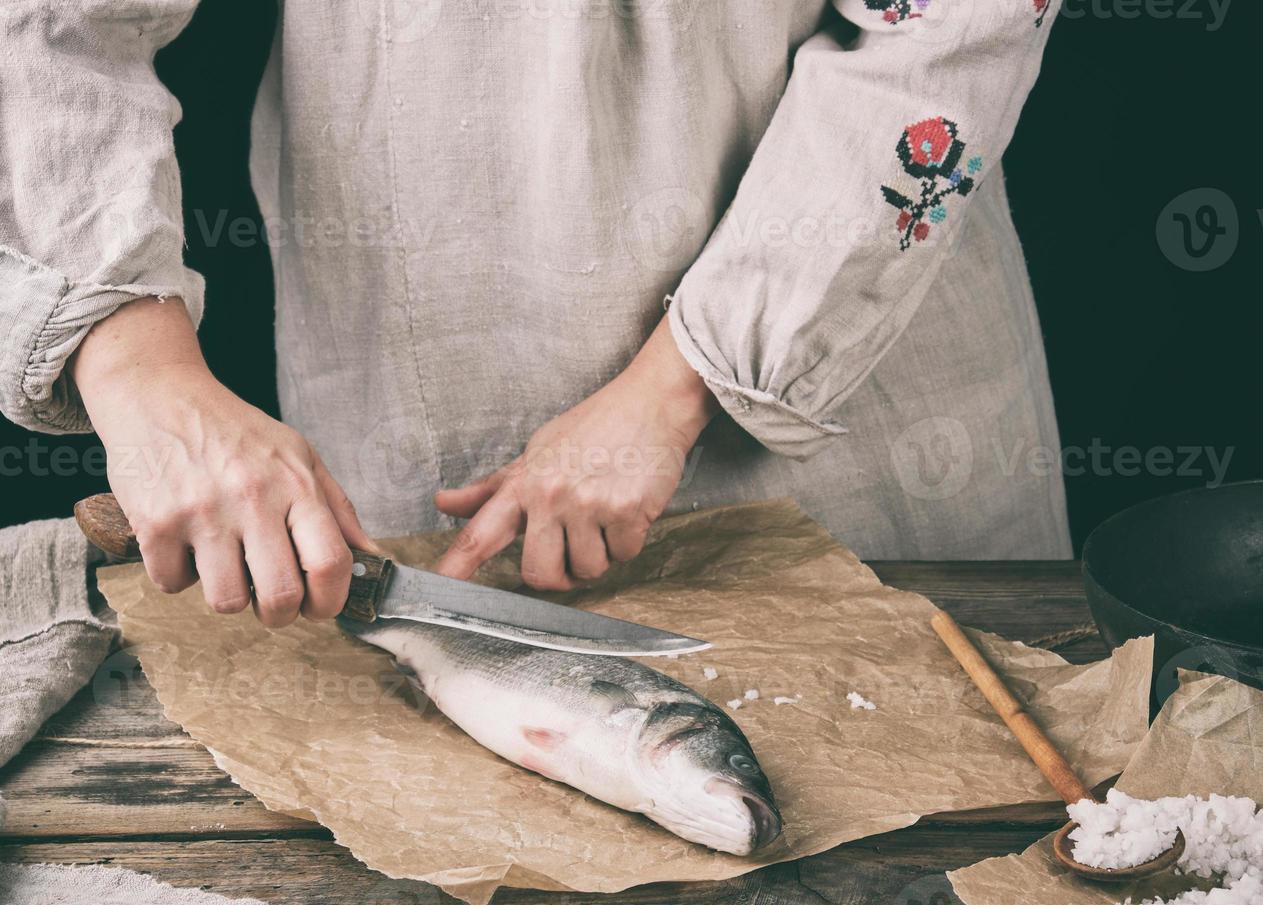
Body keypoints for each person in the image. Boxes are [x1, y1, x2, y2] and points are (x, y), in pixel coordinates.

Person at [0, 0, 1071, 628]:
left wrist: (675, 387)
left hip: (856, 409)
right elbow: (49, 29)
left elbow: (945, 28)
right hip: (417, 411)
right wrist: (140, 369)